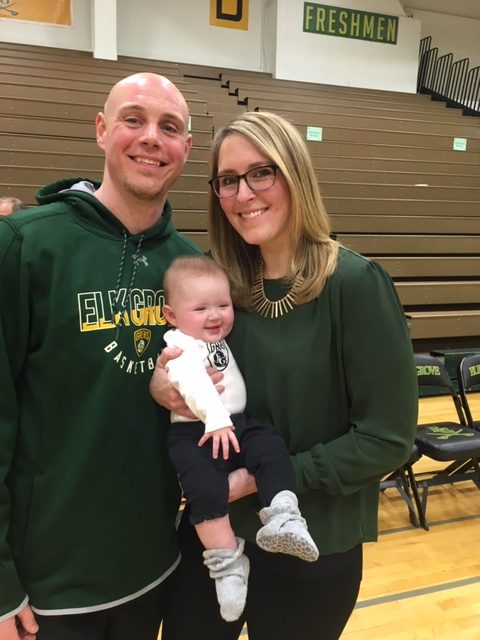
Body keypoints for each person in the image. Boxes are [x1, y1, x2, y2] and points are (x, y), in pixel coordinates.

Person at [150, 111, 418, 640]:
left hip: (314, 540)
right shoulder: (216, 286)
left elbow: (387, 439)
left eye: (261, 173)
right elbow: (180, 373)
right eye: (228, 180)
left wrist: (258, 481)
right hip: (216, 538)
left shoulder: (356, 284)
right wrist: (163, 388)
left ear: (295, 173)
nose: (243, 193)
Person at [0, 72, 202, 640]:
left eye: (169, 127)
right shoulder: (22, 245)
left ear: (186, 148)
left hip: (153, 568)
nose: (151, 138)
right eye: (133, 119)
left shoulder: (190, 267)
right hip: (46, 587)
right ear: (100, 130)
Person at [161, 255, 318, 622]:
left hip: (235, 423)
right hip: (196, 430)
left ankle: (284, 515)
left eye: (223, 305)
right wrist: (215, 420)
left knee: (271, 447)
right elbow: (193, 384)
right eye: (201, 308)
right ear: (171, 316)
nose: (215, 315)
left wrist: (227, 422)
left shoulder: (214, 336)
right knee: (202, 489)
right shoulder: (179, 344)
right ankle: (227, 563)